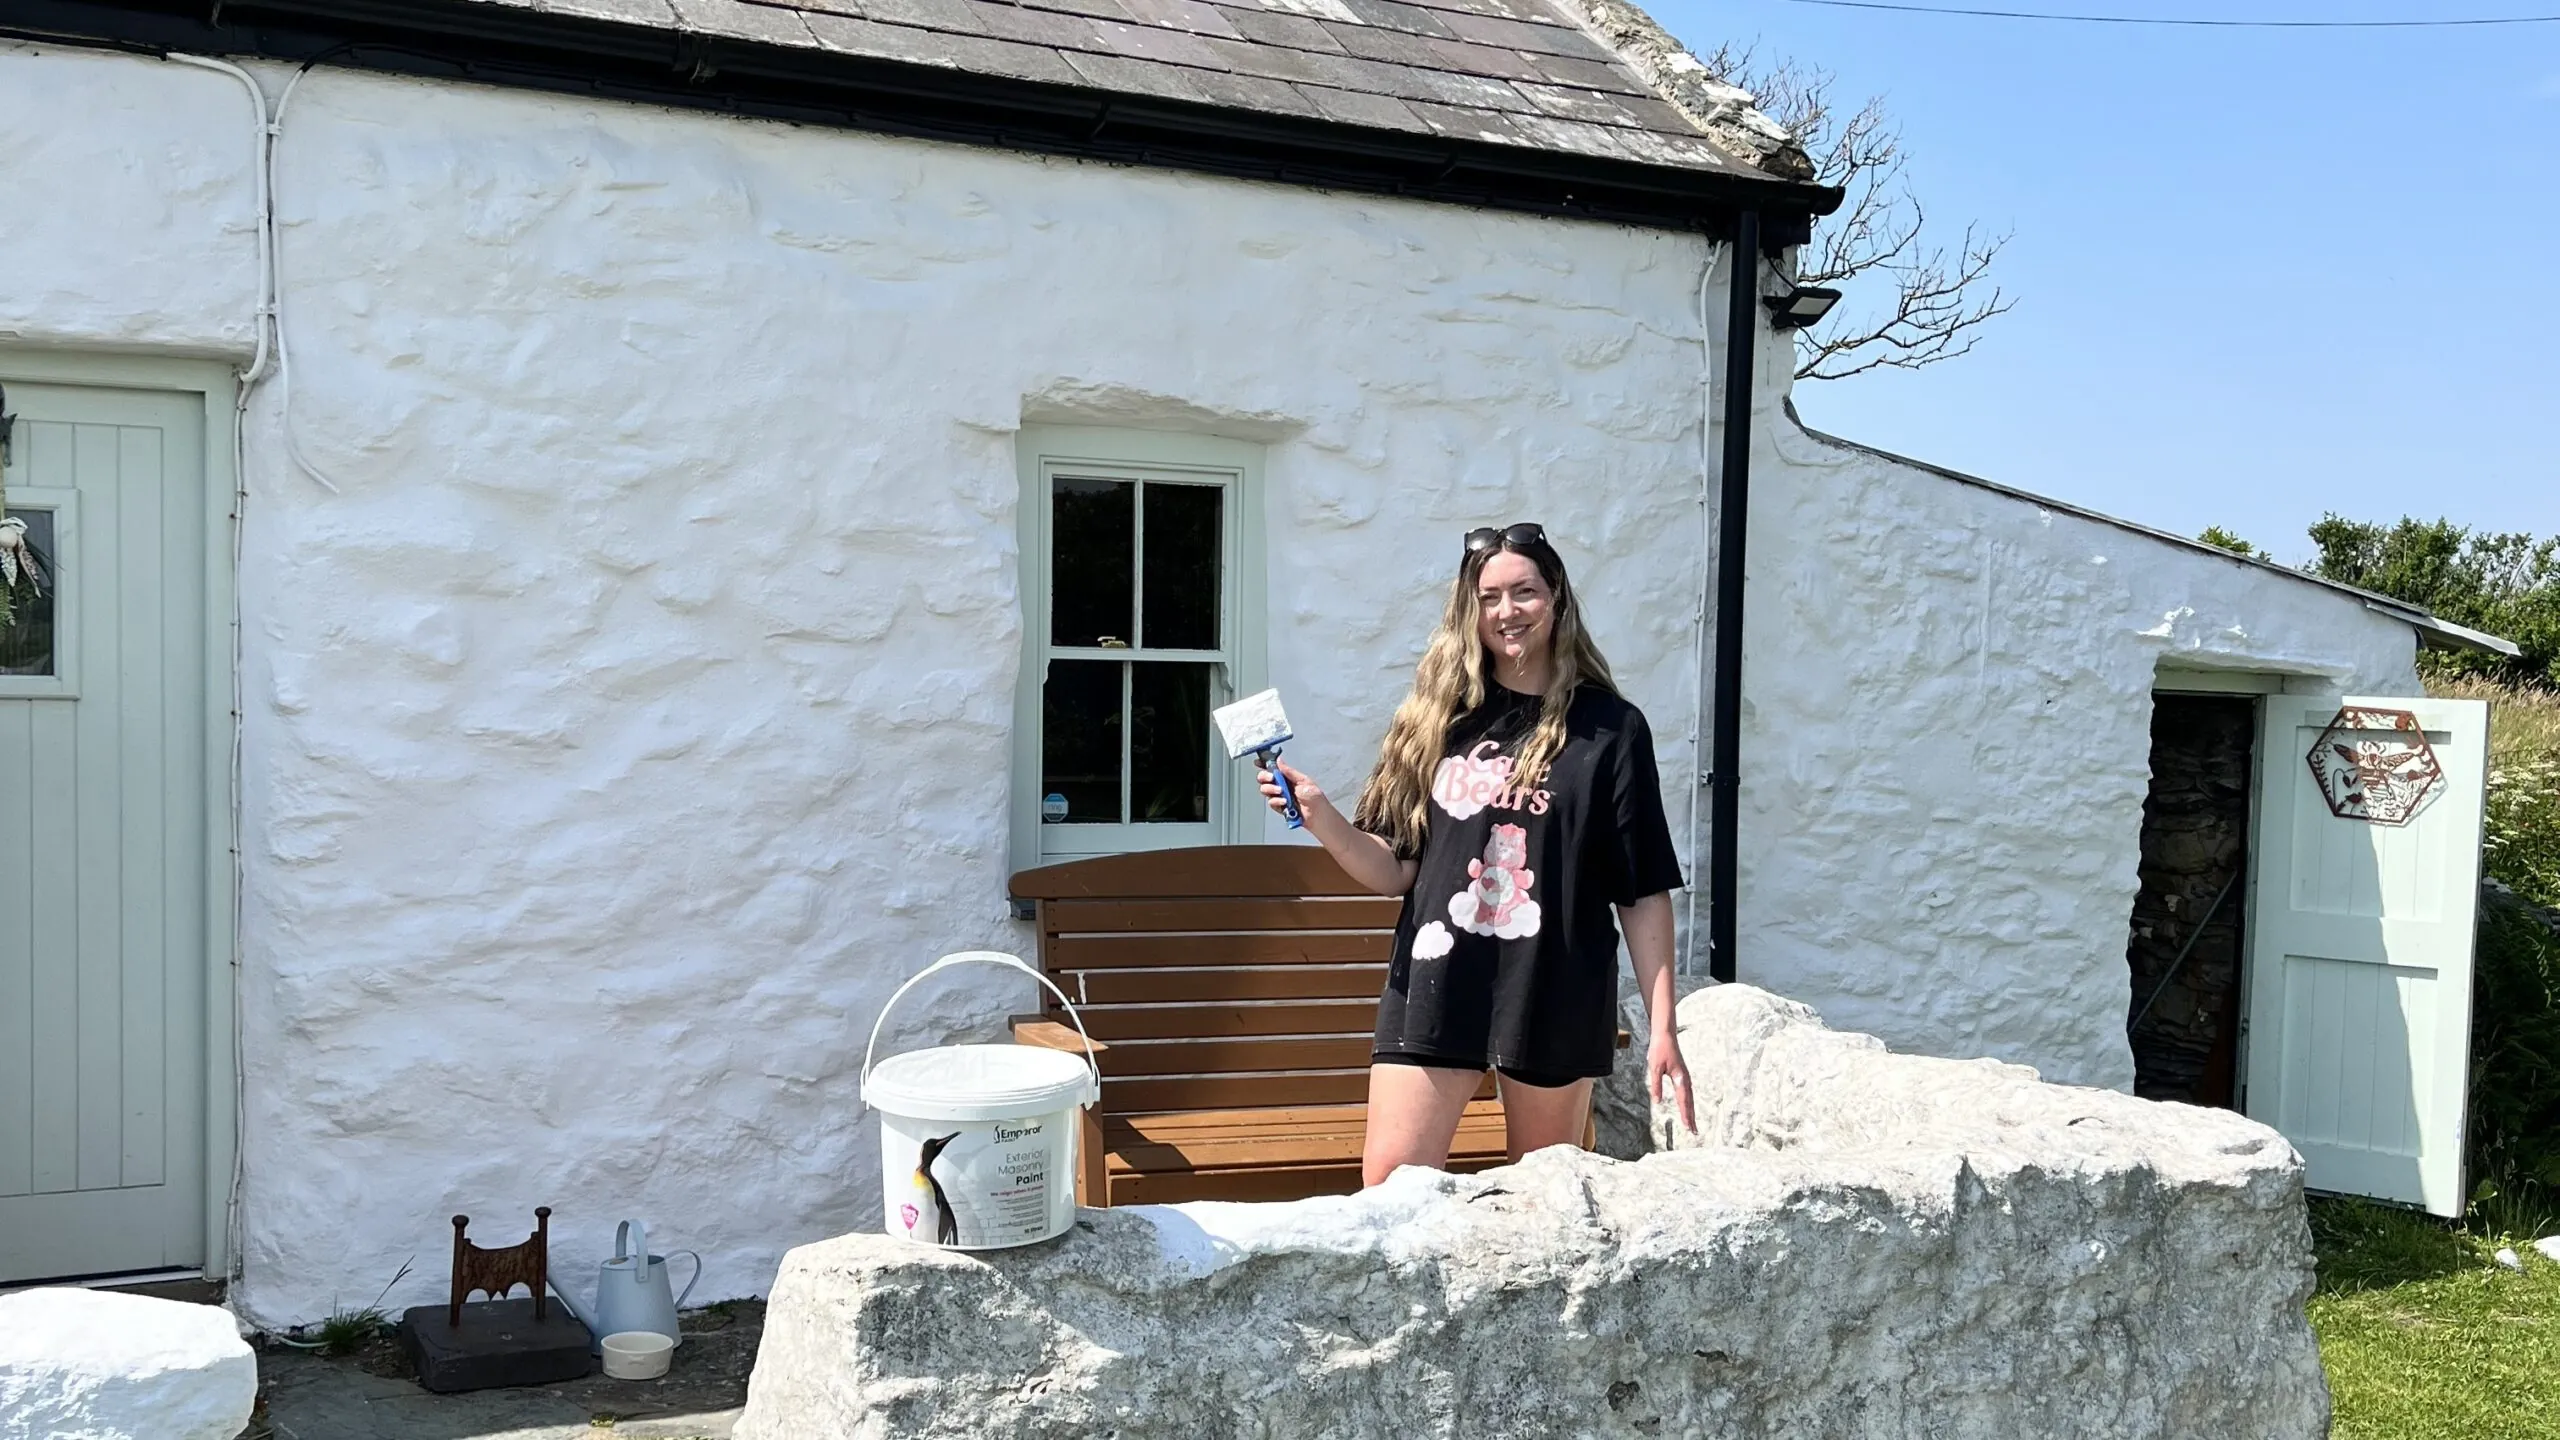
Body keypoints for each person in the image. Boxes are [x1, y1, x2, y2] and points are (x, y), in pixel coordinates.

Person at [1260, 522, 1698, 1186]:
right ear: (1469, 609)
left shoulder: (1611, 730)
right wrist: (1322, 818)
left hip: (1557, 989)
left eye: (1523, 592)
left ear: (1556, 599)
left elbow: (1638, 890)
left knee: (1545, 1201)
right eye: (1489, 596)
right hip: (1438, 980)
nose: (1506, 611)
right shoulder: (1439, 719)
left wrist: (1663, 1028)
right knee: (1390, 1189)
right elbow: (1393, 870)